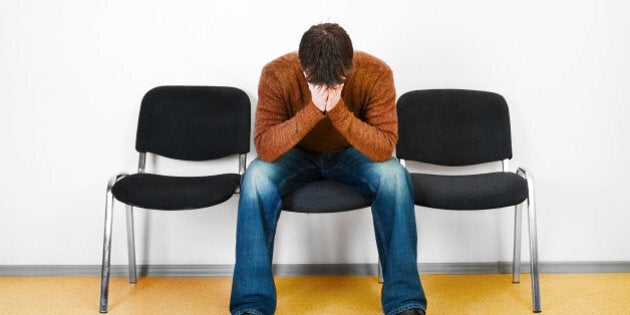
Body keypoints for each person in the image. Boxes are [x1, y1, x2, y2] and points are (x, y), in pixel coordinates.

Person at [230, 23, 427, 315]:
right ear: (303, 69)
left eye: (336, 82)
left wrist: (337, 112)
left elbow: (384, 146)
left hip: (351, 154)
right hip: (295, 156)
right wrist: (313, 110)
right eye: (316, 82)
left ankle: (405, 302)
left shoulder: (376, 72)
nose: (326, 90)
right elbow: (266, 148)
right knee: (256, 177)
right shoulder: (276, 74)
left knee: (395, 177)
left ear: (349, 68)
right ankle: (251, 305)